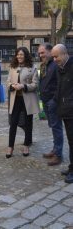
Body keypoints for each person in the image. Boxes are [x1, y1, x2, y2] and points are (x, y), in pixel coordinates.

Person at [6, 47, 40, 158]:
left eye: (22, 54)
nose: (19, 56)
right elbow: (8, 82)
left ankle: (26, 145)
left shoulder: (32, 67)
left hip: (27, 99)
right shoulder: (12, 67)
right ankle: (10, 146)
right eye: (18, 54)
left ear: (25, 55)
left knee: (28, 123)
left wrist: (23, 86)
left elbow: (35, 85)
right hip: (15, 99)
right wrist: (12, 86)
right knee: (13, 123)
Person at [38, 43, 63, 166]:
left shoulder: (55, 65)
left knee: (57, 127)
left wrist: (54, 100)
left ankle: (58, 155)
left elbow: (60, 84)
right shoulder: (44, 65)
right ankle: (55, 150)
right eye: (39, 53)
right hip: (45, 101)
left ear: (49, 52)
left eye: (42, 52)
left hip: (53, 102)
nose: (40, 55)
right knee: (53, 127)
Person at [51, 44, 73, 183]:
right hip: (65, 110)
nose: (54, 59)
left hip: (71, 110)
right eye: (53, 56)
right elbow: (59, 88)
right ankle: (72, 167)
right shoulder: (60, 68)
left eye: (56, 56)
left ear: (64, 54)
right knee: (71, 142)